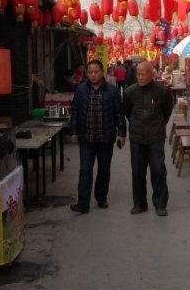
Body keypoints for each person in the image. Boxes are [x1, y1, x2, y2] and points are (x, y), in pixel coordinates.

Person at [68, 59, 127, 213]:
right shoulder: (80, 90)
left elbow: (119, 114)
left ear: (103, 73)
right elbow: (75, 111)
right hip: (86, 137)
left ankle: (101, 197)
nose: (93, 75)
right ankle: (83, 203)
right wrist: (73, 131)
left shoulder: (112, 91)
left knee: (104, 169)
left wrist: (121, 133)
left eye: (96, 72)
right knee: (85, 169)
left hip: (105, 137)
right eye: (90, 72)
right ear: (87, 73)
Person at [123, 60, 174, 217]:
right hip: (137, 138)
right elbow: (127, 112)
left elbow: (167, 112)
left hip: (156, 137)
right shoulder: (130, 92)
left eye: (144, 74)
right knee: (137, 171)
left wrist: (157, 125)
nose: (140, 77)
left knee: (158, 170)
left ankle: (160, 204)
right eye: (138, 74)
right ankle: (139, 204)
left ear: (152, 74)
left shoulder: (162, 91)